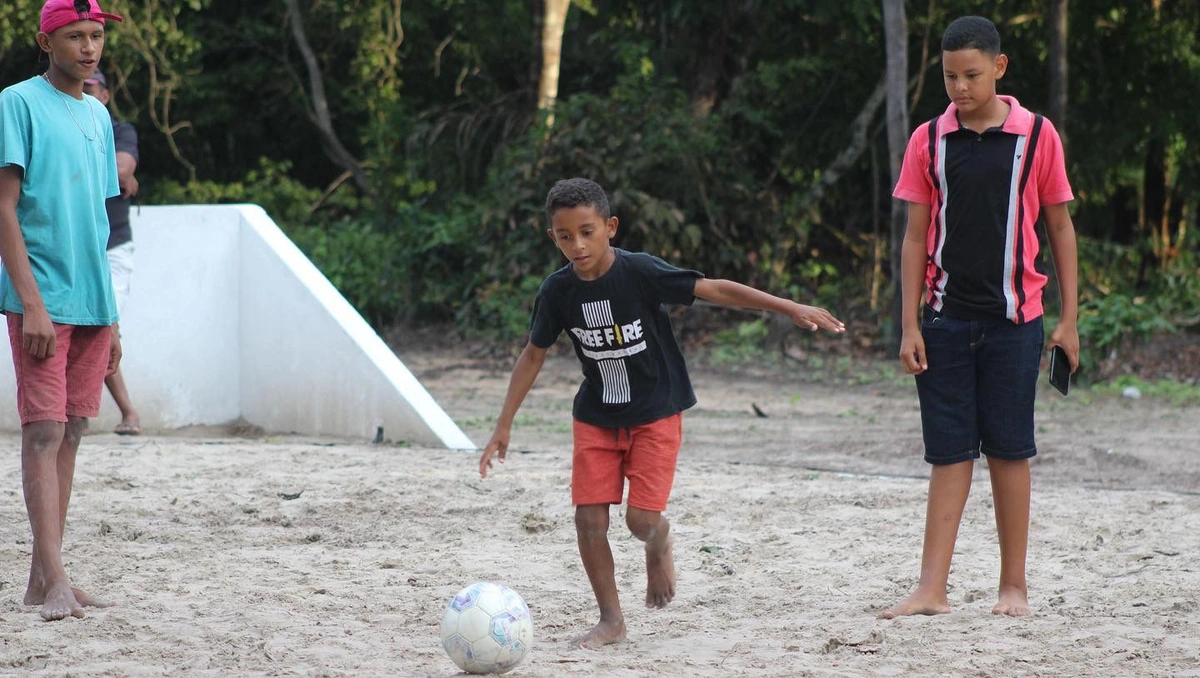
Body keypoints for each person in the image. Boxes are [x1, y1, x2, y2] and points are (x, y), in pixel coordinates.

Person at [478, 177, 845, 648]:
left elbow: (716, 289)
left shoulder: (640, 273)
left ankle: (659, 539)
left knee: (640, 522)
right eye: (565, 236)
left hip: (655, 414)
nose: (577, 245)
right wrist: (503, 424)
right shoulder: (556, 292)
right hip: (595, 417)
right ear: (553, 237)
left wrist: (788, 306)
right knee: (589, 521)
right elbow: (533, 354)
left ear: (610, 227)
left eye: (587, 231)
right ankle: (611, 620)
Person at [882, 15, 1079, 619]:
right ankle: (931, 588)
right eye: (949, 77)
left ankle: (1012, 587)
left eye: (971, 75)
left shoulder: (1038, 135)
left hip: (1016, 323)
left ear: (999, 67)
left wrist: (1069, 320)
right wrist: (910, 323)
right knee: (947, 454)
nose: (959, 88)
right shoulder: (927, 139)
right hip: (943, 322)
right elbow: (915, 239)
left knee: (1010, 452)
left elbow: (1060, 225)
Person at [0, 0, 124, 621]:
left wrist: (113, 315)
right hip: (42, 300)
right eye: (75, 35)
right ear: (45, 41)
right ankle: (55, 581)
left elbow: (97, 221)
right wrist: (31, 303)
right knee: (43, 431)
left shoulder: (98, 116)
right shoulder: (15, 102)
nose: (89, 47)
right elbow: (4, 208)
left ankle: (41, 579)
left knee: (73, 429)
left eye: (96, 35)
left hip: (92, 299)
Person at [83, 68, 141, 435]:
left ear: (105, 95)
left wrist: (121, 174)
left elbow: (123, 168)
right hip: (76, 247)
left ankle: (127, 412)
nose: (86, 92)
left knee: (104, 327)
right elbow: (118, 173)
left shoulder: (120, 130)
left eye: (92, 87)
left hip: (113, 247)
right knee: (87, 329)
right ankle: (89, 411)